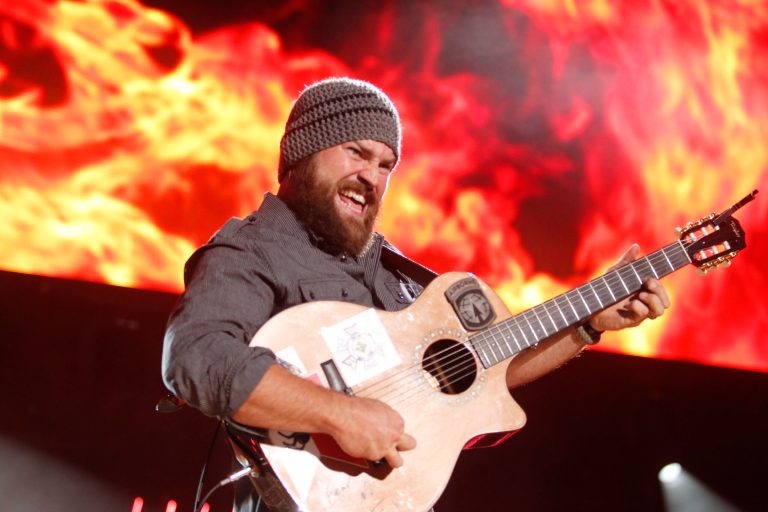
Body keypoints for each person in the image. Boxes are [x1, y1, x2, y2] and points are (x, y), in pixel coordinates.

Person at [161, 77, 670, 512]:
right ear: (302, 154)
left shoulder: (394, 273)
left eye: (386, 164)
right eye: (356, 152)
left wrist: (587, 325)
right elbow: (197, 357)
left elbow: (485, 373)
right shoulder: (250, 251)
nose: (372, 176)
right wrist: (341, 414)